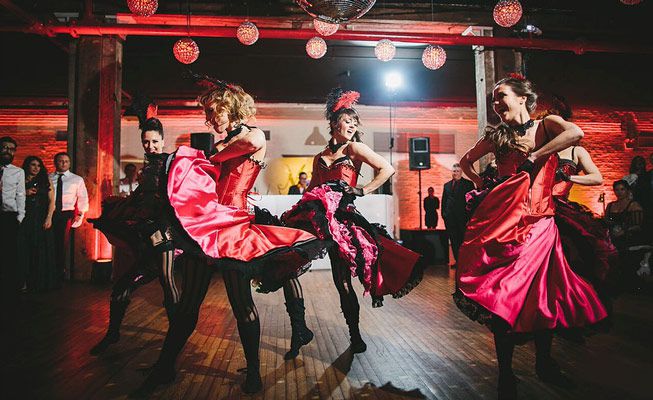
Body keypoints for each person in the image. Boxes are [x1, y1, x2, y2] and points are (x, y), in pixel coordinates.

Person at [134, 80, 326, 396]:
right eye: (207, 114)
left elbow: (218, 158)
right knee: (188, 305)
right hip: (209, 225)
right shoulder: (226, 141)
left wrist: (194, 155)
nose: (209, 120)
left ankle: (253, 372)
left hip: (234, 228)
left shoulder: (253, 135)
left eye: (213, 112)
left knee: (241, 304)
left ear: (229, 105)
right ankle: (164, 367)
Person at [453, 74, 607, 399]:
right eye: (493, 99)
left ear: (523, 98)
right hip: (502, 223)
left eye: (501, 96)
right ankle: (506, 374)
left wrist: (537, 156)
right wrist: (481, 184)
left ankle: (544, 364)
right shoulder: (497, 135)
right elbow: (466, 161)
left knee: (542, 297)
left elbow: (576, 133)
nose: (496, 104)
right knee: (503, 297)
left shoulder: (546, 124)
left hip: (540, 223)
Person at [282, 88, 423, 355]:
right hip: (318, 217)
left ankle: (354, 335)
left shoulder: (355, 148)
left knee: (342, 282)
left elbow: (387, 168)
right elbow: (313, 187)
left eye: (355, 123)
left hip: (343, 219)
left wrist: (362, 189)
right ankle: (299, 330)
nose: (352, 126)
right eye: (348, 121)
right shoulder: (319, 156)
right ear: (335, 123)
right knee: (289, 262)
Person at [89, 117, 181, 355]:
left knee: (167, 281)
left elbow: (176, 199)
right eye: (146, 142)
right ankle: (113, 334)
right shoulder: (149, 165)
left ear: (163, 140)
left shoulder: (171, 163)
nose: (150, 146)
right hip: (147, 236)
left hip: (165, 235)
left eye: (155, 141)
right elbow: (143, 196)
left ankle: (175, 340)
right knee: (122, 287)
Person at [17, 156, 57, 292]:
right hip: (25, 218)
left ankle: (39, 283)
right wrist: (24, 193)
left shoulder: (45, 180)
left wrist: (49, 218)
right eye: (33, 165)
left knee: (41, 251)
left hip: (41, 218)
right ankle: (24, 282)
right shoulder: (20, 179)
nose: (36, 168)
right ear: (27, 165)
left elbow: (52, 202)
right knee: (24, 251)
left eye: (38, 165)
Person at [49, 152, 88, 280]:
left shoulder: (76, 179)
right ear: (55, 163)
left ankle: (59, 273)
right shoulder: (49, 178)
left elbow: (83, 198)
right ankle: (48, 273)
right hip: (50, 213)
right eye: (61, 161)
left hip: (66, 214)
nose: (64, 163)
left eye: (66, 161)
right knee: (49, 243)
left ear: (69, 163)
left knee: (61, 243)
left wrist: (80, 214)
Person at [0, 136, 25, 294]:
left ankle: (8, 285)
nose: (7, 151)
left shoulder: (18, 172)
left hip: (9, 215)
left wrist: (20, 216)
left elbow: (20, 194)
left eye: (11, 149)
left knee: (8, 252)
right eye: (4, 147)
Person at [441, 163, 475, 262]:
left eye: (457, 171)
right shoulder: (446, 185)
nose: (455, 173)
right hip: (450, 219)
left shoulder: (468, 184)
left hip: (463, 218)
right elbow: (444, 201)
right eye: (454, 171)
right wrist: (444, 215)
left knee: (463, 241)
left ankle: (465, 261)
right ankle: (458, 261)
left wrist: (470, 218)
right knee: (454, 240)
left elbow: (472, 201)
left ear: (461, 172)